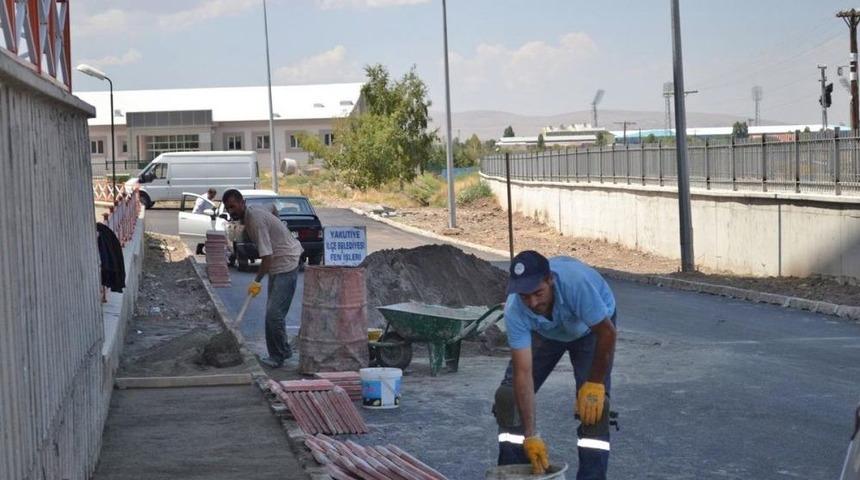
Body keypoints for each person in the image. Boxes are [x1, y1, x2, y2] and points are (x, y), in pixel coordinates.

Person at [493, 250, 617, 479]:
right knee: (509, 398)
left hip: (590, 330)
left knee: (594, 408)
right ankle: (514, 473)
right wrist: (530, 435)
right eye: (524, 295)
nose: (532, 302)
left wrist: (595, 384)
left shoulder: (576, 285)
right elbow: (523, 373)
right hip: (547, 332)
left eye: (538, 292)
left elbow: (607, 333)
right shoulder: (516, 309)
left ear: (550, 279)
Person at [221, 189, 303, 368]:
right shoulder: (254, 210)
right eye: (228, 208)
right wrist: (278, 228)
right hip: (278, 264)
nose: (231, 211)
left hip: (286, 263)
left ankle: (277, 357)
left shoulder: (255, 221)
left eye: (233, 206)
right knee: (273, 314)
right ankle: (285, 350)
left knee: (274, 315)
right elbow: (272, 207)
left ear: (242, 203)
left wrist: (256, 282)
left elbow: (267, 258)